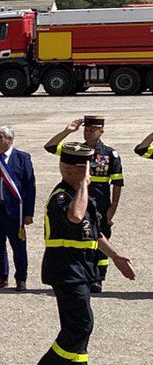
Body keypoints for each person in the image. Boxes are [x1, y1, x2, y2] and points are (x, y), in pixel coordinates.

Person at [28, 142, 135, 365]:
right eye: (86, 168)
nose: (90, 172)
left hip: (82, 270)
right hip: (65, 270)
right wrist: (85, 185)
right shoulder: (63, 196)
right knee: (82, 324)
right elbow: (75, 218)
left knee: (77, 327)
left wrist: (116, 257)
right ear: (70, 169)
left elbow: (94, 232)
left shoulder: (81, 193)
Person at [45, 116, 123, 293]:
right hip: (77, 200)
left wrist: (113, 207)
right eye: (86, 129)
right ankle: (85, 276)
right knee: (82, 237)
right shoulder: (76, 151)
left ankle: (98, 277)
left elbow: (117, 182)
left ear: (101, 131)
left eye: (92, 129)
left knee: (101, 239)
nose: (88, 132)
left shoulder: (110, 154)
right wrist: (68, 131)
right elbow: (50, 146)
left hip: (101, 204)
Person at [0, 126, 36, 291]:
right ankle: (2, 277)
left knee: (18, 247)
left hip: (15, 212)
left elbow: (30, 187)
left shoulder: (22, 158)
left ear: (10, 140)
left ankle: (21, 279)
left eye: (0, 137)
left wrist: (29, 213)